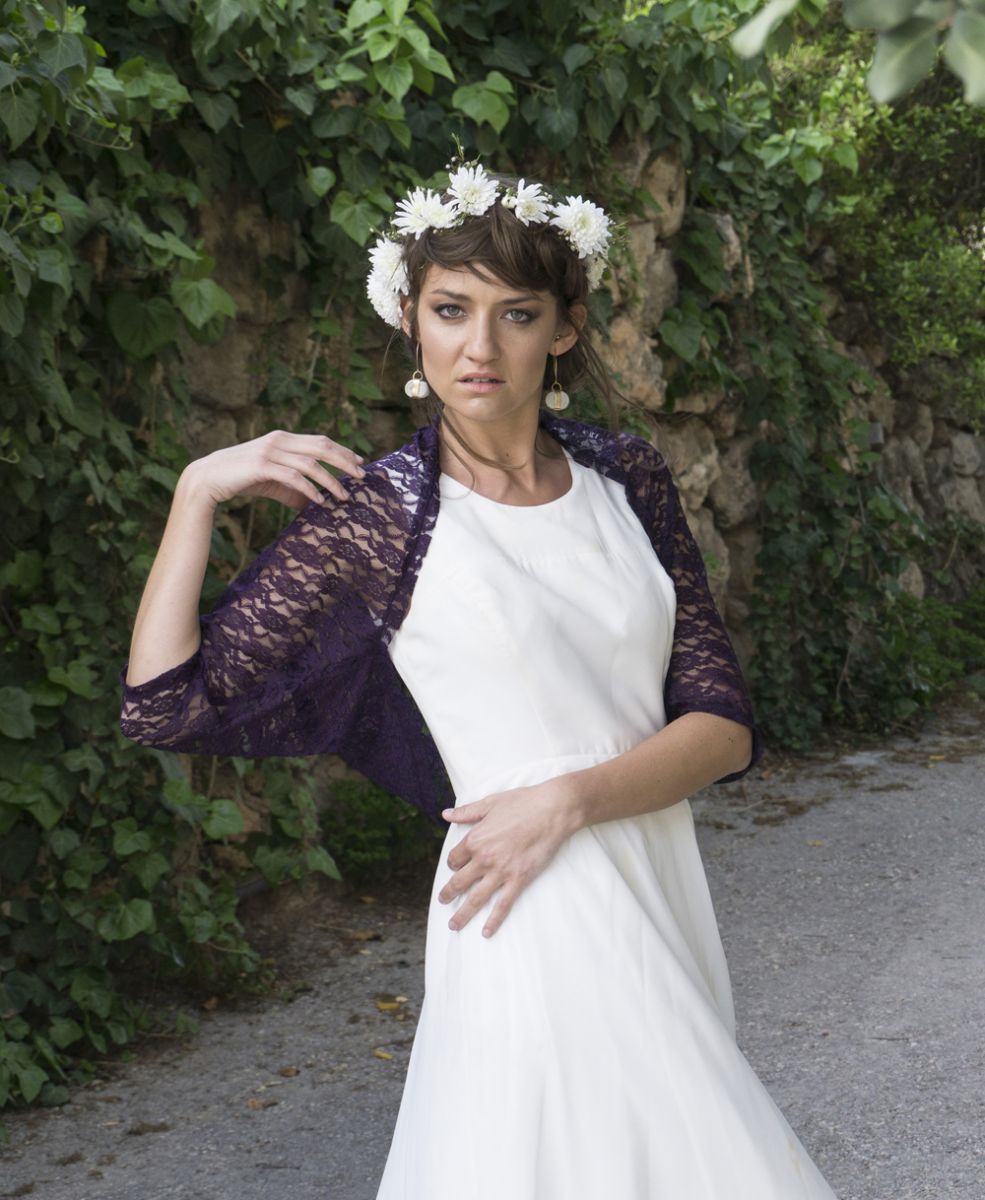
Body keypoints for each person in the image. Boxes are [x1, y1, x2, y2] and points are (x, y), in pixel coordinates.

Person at [119, 159, 840, 1198]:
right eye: (451, 310)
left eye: (517, 314)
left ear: (566, 329)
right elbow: (165, 705)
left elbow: (722, 726)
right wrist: (195, 492)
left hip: (652, 874)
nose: (480, 346)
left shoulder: (626, 478)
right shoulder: (378, 519)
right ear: (410, 322)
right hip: (523, 905)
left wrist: (568, 799)